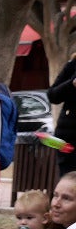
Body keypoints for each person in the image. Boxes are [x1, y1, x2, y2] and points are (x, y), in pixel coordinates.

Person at [46, 47, 76, 179]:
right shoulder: (73, 64)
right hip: (68, 140)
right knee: (67, 181)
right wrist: (72, 84)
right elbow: (52, 95)